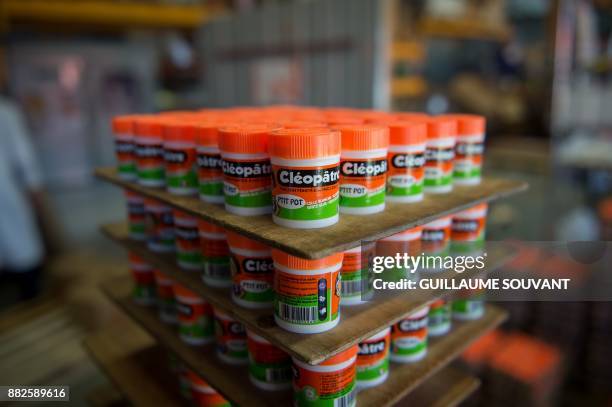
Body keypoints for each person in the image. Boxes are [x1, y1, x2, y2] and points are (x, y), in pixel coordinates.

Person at [0, 96, 47, 300]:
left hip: (6, 191)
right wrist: (34, 186)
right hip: (6, 190)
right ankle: (31, 296)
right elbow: (22, 154)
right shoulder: (6, 111)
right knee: (21, 249)